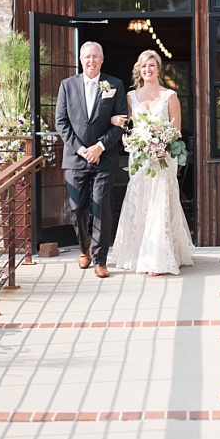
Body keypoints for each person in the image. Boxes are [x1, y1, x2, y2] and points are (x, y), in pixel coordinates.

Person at [111, 50, 195, 276]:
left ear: (159, 68)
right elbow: (128, 129)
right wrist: (130, 140)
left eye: (152, 65)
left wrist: (162, 147)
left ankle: (158, 258)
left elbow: (176, 131)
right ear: (138, 69)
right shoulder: (131, 97)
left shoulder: (170, 96)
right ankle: (139, 253)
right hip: (140, 157)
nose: (147, 70)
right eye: (143, 66)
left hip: (162, 159)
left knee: (160, 202)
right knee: (140, 202)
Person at [54, 41, 128, 280]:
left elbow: (120, 123)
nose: (91, 61)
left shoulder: (114, 85)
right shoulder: (67, 86)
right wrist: (81, 149)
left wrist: (99, 147)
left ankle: (100, 259)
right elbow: (61, 123)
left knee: (100, 208)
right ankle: (83, 248)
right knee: (77, 208)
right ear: (80, 59)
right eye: (87, 57)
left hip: (104, 159)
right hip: (75, 159)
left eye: (96, 56)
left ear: (102, 59)